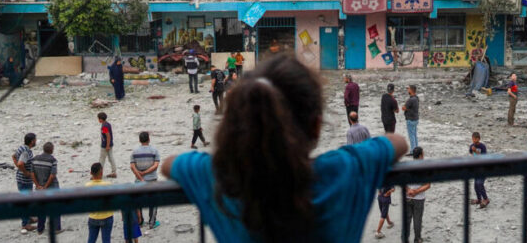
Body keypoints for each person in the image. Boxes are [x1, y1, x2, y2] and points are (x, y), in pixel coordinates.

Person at [161, 55, 408, 242]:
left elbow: (169, 165)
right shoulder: (343, 169)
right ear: (316, 127)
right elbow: (398, 143)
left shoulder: (220, 180)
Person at [130, 132, 161, 229]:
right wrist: (146, 172)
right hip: (152, 179)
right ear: (149, 139)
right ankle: (152, 222)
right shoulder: (154, 150)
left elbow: (132, 167)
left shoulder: (134, 152)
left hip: (139, 180)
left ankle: (140, 221)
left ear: (139, 140)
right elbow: (156, 165)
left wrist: (140, 176)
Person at [32, 142, 61, 235]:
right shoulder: (53, 160)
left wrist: (37, 185)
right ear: (51, 150)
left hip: (39, 188)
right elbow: (52, 175)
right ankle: (56, 228)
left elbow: (32, 173)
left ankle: (40, 229)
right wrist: (45, 186)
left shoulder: (35, 159)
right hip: (51, 187)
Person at [13, 132, 37, 233]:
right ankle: (25, 224)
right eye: (35, 140)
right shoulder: (26, 152)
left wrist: (19, 168)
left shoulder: (21, 147)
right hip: (24, 180)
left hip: (21, 179)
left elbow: (14, 157)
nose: (36, 141)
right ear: (32, 141)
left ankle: (29, 218)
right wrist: (26, 172)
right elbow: (20, 163)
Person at [405, 147, 430, 243]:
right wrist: (416, 191)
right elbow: (427, 185)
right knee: (417, 220)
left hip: (407, 196)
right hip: (419, 198)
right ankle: (417, 238)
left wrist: (408, 190)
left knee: (407, 220)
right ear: (420, 155)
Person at [86, 163, 114, 243]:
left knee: (91, 239)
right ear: (101, 172)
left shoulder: (87, 186)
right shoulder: (108, 185)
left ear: (91, 173)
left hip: (93, 216)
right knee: (106, 240)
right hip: (106, 216)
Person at [469, 132, 489, 208]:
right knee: (476, 185)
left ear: (479, 139)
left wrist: (475, 151)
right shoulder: (471, 146)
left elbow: (483, 157)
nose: (474, 140)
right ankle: (479, 199)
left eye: (475, 139)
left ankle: (486, 199)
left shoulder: (482, 147)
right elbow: (471, 155)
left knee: (480, 183)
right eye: (473, 139)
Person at [98, 112, 117, 178]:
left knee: (102, 159)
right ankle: (114, 171)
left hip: (105, 145)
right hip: (110, 144)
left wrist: (107, 146)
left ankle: (99, 173)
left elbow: (108, 136)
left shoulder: (104, 127)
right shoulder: (108, 124)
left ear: (100, 119)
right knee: (111, 158)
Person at [403, 85, 420, 151]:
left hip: (410, 119)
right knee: (414, 135)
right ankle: (416, 149)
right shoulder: (416, 98)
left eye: (408, 89)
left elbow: (404, 108)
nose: (408, 90)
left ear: (411, 90)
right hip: (415, 118)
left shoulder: (411, 100)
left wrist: (405, 107)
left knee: (411, 136)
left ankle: (413, 150)